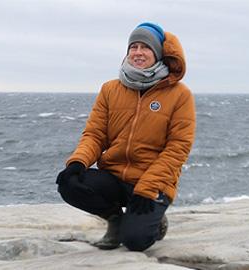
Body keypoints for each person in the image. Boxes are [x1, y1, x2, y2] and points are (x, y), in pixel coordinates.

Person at [56, 22, 196, 251]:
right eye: (134, 47)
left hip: (153, 182)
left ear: (158, 54)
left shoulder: (180, 95)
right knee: (70, 183)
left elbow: (178, 148)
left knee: (135, 241)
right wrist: (77, 163)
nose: (138, 52)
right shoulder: (110, 89)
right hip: (115, 176)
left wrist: (148, 188)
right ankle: (115, 219)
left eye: (145, 48)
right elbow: (95, 134)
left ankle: (153, 220)